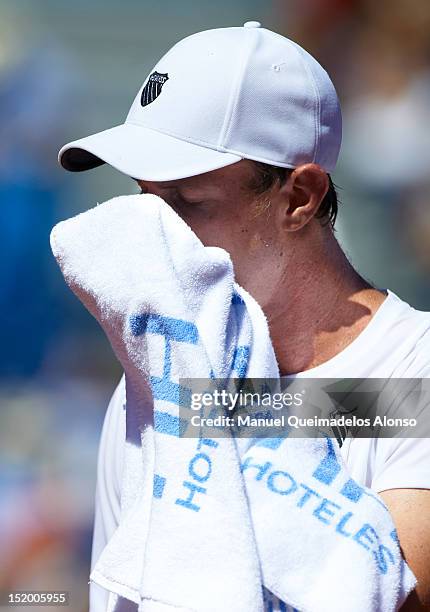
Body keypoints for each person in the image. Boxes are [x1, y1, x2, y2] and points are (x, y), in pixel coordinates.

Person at [58, 22, 430, 611]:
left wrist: (210, 408)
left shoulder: (417, 370)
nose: (157, 235)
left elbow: (401, 600)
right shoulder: (152, 392)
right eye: (145, 200)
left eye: (191, 203)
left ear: (299, 198)